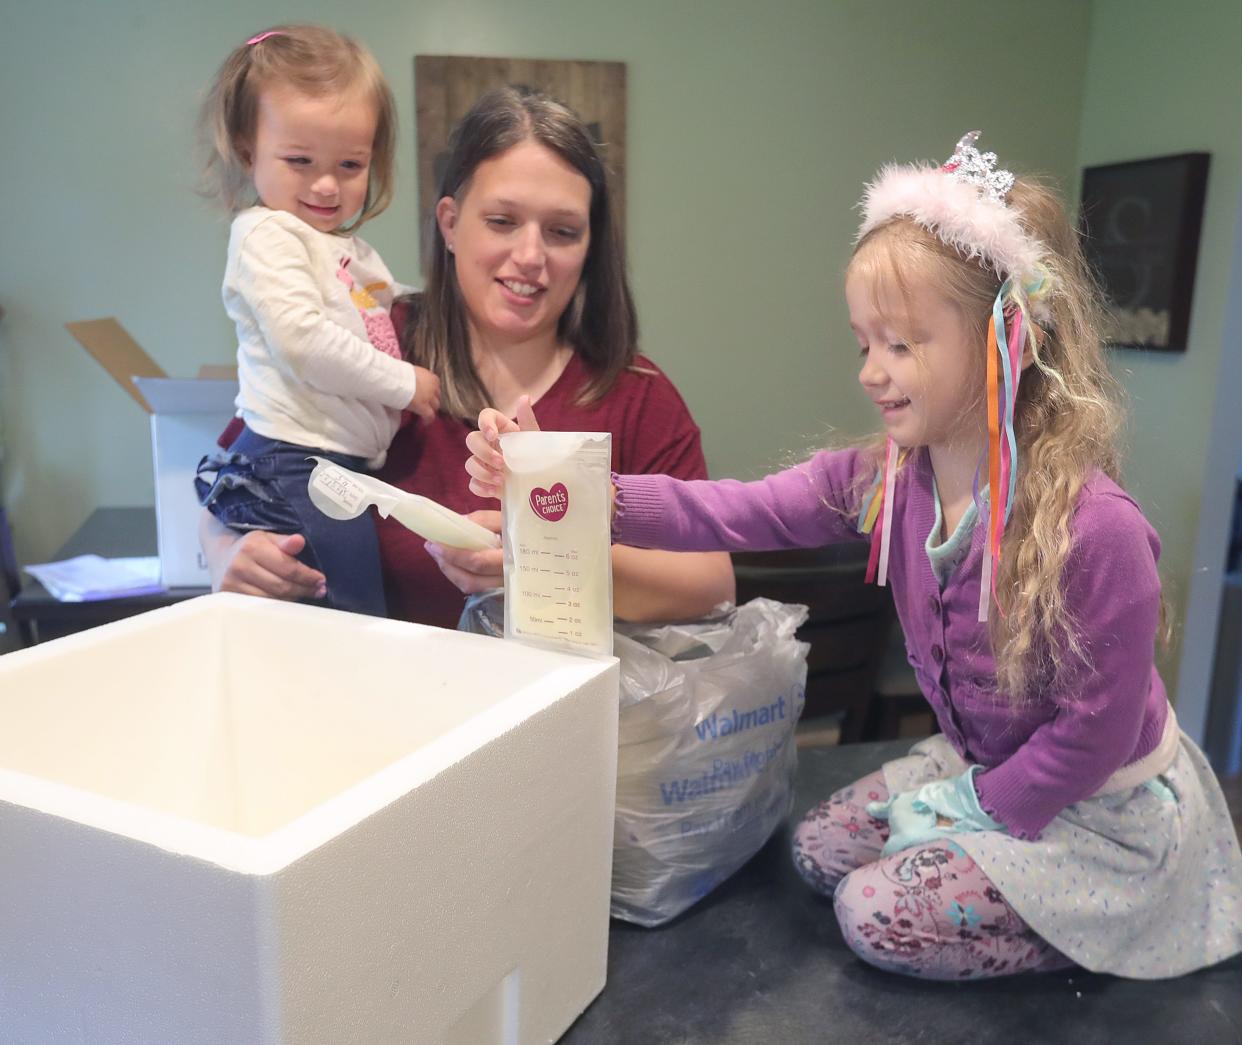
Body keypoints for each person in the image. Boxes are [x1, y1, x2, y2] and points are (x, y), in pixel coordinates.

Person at [468, 132, 1242, 980]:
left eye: (902, 344)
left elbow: (1091, 737)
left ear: (1009, 343)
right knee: (817, 851)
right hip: (982, 766)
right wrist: (574, 487)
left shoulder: (1097, 531)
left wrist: (973, 809)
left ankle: (1086, 924)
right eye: (863, 343)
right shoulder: (885, 478)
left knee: (872, 913)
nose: (873, 372)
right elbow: (732, 509)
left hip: (1091, 807)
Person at [201, 84, 733, 628]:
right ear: (451, 223)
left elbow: (710, 586)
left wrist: (551, 562)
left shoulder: (636, 396)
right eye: (502, 222)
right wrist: (227, 558)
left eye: (563, 231)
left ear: (590, 246)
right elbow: (236, 479)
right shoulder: (370, 345)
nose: (530, 257)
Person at [194, 25, 442, 617]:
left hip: (325, 459)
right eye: (300, 160)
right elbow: (302, 341)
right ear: (248, 151)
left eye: (350, 164)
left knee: (348, 606)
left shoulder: (343, 248)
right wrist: (407, 385)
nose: (327, 185)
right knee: (353, 611)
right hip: (295, 458)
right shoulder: (267, 235)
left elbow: (395, 301)